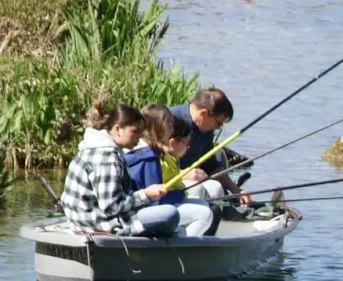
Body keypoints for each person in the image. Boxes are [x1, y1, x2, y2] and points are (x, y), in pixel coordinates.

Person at [60, 101, 174, 236]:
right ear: (117, 129)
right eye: (135, 132)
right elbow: (111, 207)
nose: (139, 137)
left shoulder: (91, 146)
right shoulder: (107, 157)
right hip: (97, 223)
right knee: (170, 213)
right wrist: (146, 195)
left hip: (80, 220)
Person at [120, 105, 216, 237]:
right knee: (205, 214)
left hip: (138, 206)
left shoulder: (138, 150)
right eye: (169, 125)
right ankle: (182, 248)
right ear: (160, 128)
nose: (172, 129)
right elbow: (155, 201)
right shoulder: (150, 157)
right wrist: (179, 194)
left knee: (203, 204)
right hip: (140, 212)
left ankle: (179, 236)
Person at [171, 87, 250, 203]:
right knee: (199, 189)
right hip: (167, 182)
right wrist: (182, 174)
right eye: (218, 123)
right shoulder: (171, 120)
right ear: (203, 113)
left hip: (190, 180)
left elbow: (212, 167)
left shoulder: (206, 131)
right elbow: (153, 164)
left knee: (216, 188)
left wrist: (236, 190)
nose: (218, 128)